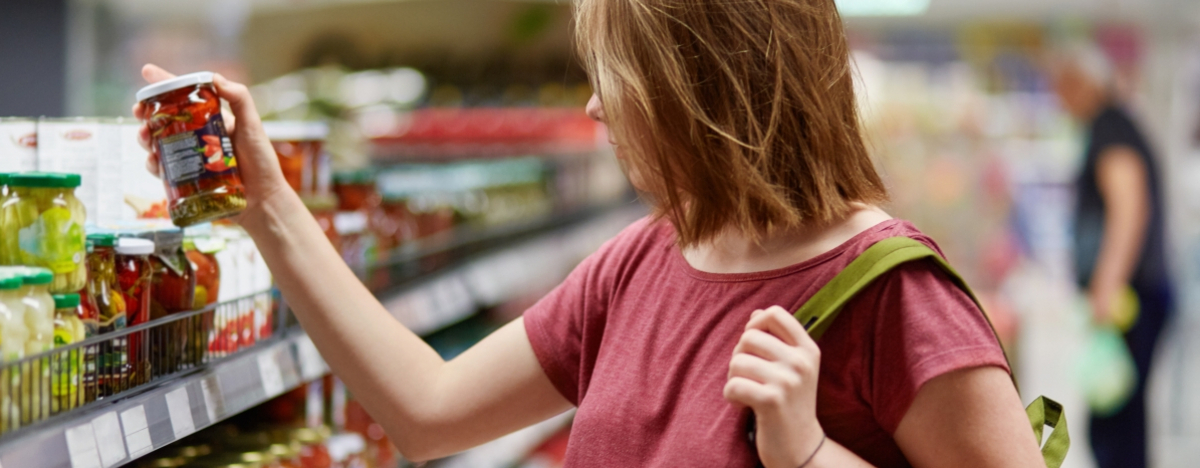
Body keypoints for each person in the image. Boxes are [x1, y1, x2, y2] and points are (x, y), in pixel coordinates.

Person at [135, 1, 1046, 466]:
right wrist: (266, 205)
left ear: (701, 85)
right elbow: (429, 410)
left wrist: (810, 452)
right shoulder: (646, 259)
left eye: (620, 75)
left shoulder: (897, 297)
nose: (594, 103)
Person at [1051, 44, 1173, 468]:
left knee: (1115, 420)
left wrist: (1107, 285)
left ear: (1082, 84)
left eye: (1062, 88)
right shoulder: (1111, 127)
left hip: (1130, 297)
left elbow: (1128, 208)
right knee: (1119, 417)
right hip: (1130, 295)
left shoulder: (1111, 129)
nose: (1058, 100)